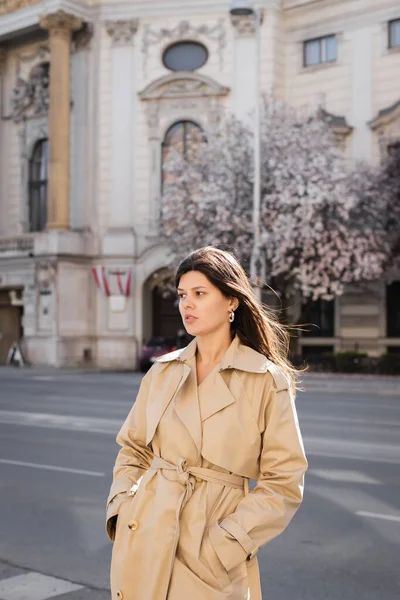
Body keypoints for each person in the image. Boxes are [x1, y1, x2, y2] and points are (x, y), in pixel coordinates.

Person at [106, 246, 308, 600]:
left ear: (231, 301)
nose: (187, 304)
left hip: (211, 551)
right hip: (145, 534)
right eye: (183, 295)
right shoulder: (162, 372)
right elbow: (133, 448)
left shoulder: (265, 379)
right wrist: (123, 507)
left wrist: (225, 543)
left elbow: (284, 482)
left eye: (200, 294)